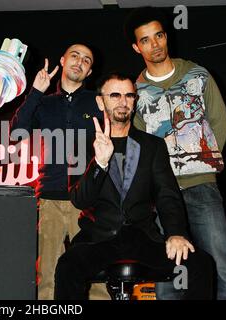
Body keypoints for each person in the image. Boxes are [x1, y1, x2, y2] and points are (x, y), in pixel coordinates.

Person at [54, 73, 213, 300]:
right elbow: (81, 200)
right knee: (67, 266)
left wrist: (176, 233)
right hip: (98, 239)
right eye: (115, 95)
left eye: (129, 95)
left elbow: (167, 195)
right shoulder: (81, 144)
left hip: (144, 238)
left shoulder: (153, 146)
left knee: (200, 264)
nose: (123, 101)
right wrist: (99, 163)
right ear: (100, 101)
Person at [123, 6, 226, 300]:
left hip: (202, 185)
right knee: (168, 273)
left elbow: (219, 121)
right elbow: (139, 144)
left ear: (167, 36)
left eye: (159, 36)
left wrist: (201, 159)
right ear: (136, 47)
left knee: (223, 267)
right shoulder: (135, 91)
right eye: (146, 40)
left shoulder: (197, 74)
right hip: (163, 195)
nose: (155, 45)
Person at [10, 44, 108, 300]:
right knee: (48, 277)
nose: (79, 62)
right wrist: (35, 92)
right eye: (74, 56)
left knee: (98, 277)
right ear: (63, 60)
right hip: (50, 198)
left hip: (89, 201)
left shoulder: (98, 101)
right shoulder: (44, 101)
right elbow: (16, 133)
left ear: (89, 71)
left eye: (86, 60)